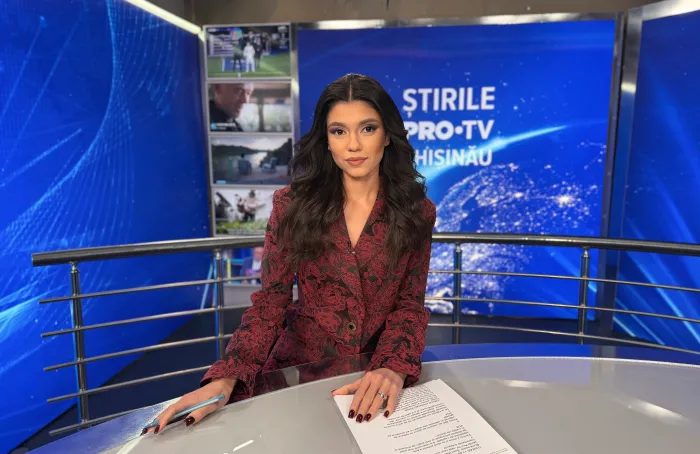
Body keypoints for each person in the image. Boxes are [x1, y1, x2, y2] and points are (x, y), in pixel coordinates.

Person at [145, 73, 436, 434]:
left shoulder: (416, 211)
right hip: (298, 371)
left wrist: (392, 366)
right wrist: (228, 375)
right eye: (339, 131)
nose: (353, 145)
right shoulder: (293, 206)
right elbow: (271, 302)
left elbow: (409, 304)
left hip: (372, 372)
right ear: (326, 140)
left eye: (368, 128)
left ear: (387, 135)